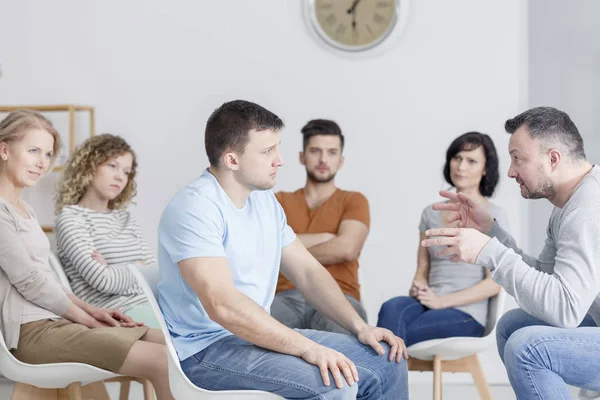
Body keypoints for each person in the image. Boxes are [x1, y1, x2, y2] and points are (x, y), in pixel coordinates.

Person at [157, 100, 408, 399]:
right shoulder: (195, 207)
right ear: (232, 160)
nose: (280, 160)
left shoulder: (264, 201)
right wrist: (307, 348)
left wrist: (359, 327)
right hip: (207, 350)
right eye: (267, 152)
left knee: (387, 359)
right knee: (335, 381)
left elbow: (307, 271)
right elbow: (223, 305)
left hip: (254, 338)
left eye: (278, 148)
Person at [422, 106, 600, 399]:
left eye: (518, 158)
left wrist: (490, 252)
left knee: (527, 347)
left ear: (553, 158)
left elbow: (564, 309)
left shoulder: (586, 209)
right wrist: (492, 232)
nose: (510, 171)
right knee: (512, 325)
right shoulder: (569, 204)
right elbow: (546, 278)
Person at [0, 110, 174, 399]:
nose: (41, 163)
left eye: (47, 154)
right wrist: (88, 320)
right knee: (162, 361)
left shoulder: (25, 211)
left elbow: (48, 282)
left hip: (56, 323)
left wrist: (95, 312)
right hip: (31, 333)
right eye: (33, 151)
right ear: (4, 149)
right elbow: (30, 281)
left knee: (174, 347)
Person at [378, 132, 506, 346]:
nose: (461, 166)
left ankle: (380, 378)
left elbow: (493, 284)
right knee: (391, 309)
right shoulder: (430, 213)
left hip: (466, 313)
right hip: (428, 303)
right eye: (457, 158)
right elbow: (423, 267)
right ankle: (387, 377)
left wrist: (441, 302)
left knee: (393, 336)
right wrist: (418, 285)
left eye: (471, 161)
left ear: (485, 169)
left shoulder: (493, 216)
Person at [272, 119, 369, 334]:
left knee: (350, 348)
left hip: (340, 297)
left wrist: (287, 251)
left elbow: (346, 249)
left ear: (341, 160)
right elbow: (264, 248)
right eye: (315, 151)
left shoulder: (353, 200)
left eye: (332, 152)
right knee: (245, 332)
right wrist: (327, 237)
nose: (323, 159)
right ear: (301, 156)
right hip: (285, 297)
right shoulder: (278, 201)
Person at [55, 134, 160, 328]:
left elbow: (154, 274)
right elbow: (104, 281)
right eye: (112, 166)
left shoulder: (125, 217)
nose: (120, 176)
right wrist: (138, 266)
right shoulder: (71, 219)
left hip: (154, 304)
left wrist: (113, 269)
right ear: (89, 166)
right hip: (121, 315)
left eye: (126, 171)